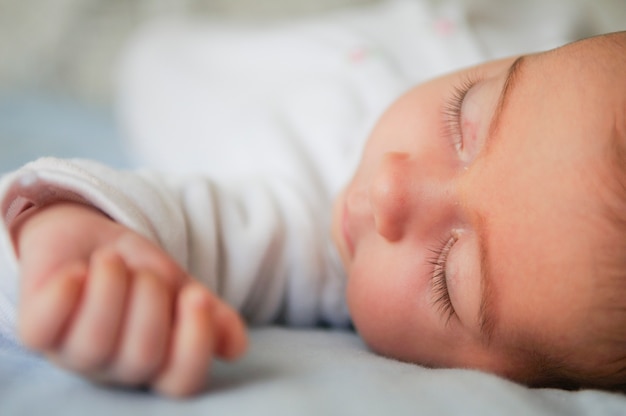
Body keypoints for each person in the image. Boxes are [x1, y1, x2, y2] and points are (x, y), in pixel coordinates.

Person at [1, 13, 626, 396]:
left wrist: (67, 239)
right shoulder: (570, 62)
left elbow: (172, 222)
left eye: (448, 276)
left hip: (146, 51)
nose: (390, 190)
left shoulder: (299, 235)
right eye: (465, 117)